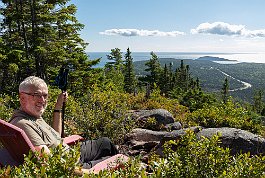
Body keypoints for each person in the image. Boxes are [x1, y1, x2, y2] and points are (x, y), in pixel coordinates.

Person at [10, 76, 120, 172]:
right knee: (119, 159)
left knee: (105, 143)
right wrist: (90, 173)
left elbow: (55, 136)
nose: (42, 100)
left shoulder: (32, 116)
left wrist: (58, 106)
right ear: (22, 98)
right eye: (37, 95)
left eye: (45, 95)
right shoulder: (23, 124)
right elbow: (51, 163)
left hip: (69, 153)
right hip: (71, 166)